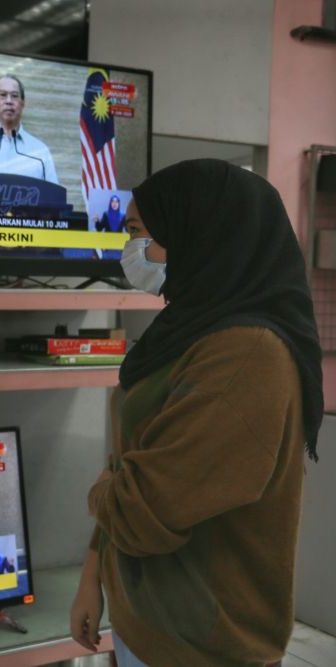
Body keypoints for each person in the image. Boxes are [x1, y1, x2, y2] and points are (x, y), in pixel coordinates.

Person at [68, 159, 323, 666]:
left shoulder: (246, 355)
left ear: (198, 232)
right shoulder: (189, 328)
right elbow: (131, 468)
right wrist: (92, 575)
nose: (131, 250)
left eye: (139, 233)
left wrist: (99, 492)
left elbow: (141, 509)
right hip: (148, 621)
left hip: (203, 646)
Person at [0, 74, 58, 183]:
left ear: (22, 103)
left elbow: (53, 192)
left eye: (14, 96)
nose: (9, 101)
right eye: (3, 95)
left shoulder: (40, 151)